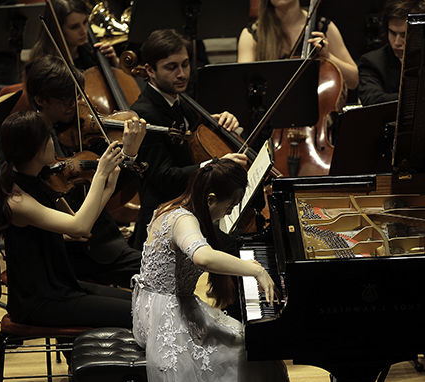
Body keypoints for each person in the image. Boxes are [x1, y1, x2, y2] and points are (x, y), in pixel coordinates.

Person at [131, 158, 337, 382]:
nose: (229, 211)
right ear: (211, 198)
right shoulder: (183, 220)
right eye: (229, 203)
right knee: (250, 355)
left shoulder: (174, 205)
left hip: (161, 304)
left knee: (251, 344)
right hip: (164, 316)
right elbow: (202, 258)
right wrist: (255, 270)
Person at [0, 110, 145, 328]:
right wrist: (99, 175)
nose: (53, 143)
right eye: (48, 138)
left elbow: (76, 227)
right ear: (34, 148)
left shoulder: (37, 180)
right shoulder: (17, 200)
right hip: (40, 301)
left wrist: (108, 188)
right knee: (140, 314)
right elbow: (79, 226)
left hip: (61, 285)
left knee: (142, 304)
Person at [21, 55, 143, 288]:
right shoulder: (26, 143)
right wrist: (59, 230)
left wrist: (129, 154)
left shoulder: (79, 131)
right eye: (65, 98)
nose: (73, 103)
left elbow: (117, 187)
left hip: (104, 240)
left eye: (75, 95)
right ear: (40, 99)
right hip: (71, 253)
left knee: (162, 270)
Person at [129, 29, 247, 251]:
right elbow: (165, 177)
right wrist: (215, 164)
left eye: (185, 64)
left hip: (191, 210)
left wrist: (218, 120)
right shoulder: (144, 114)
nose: (182, 74)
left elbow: (193, 134)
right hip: (166, 222)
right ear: (149, 71)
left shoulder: (179, 99)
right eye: (171, 67)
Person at [237, 0, 359, 90]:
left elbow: (354, 80)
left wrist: (328, 57)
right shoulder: (251, 35)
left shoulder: (323, 27)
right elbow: (242, 89)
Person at [357, 0, 425, 106]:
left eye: (404, 35)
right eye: (393, 33)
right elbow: (373, 100)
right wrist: (424, 97)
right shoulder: (372, 62)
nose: (397, 43)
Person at [29, 0, 118, 70]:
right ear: (57, 29)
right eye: (74, 27)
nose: (83, 31)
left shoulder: (89, 51)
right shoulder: (45, 65)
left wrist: (114, 64)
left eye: (85, 22)